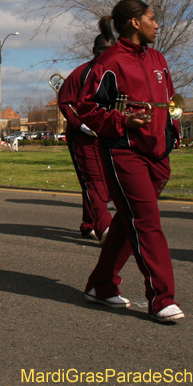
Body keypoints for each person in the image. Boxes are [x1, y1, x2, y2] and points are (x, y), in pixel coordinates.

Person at [78, 0, 184, 323]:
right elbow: (88, 108)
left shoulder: (158, 58)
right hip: (124, 151)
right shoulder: (109, 61)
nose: (157, 24)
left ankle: (100, 284)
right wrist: (122, 120)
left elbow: (169, 100)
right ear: (136, 23)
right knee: (146, 222)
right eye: (153, 18)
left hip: (158, 151)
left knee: (129, 221)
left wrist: (172, 133)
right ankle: (162, 298)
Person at [58, 34, 114, 242]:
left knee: (103, 180)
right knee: (94, 180)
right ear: (94, 51)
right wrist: (81, 124)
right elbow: (65, 101)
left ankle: (89, 223)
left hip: (109, 135)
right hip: (83, 136)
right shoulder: (81, 73)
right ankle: (105, 227)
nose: (106, 54)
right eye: (102, 49)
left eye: (110, 49)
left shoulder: (119, 73)